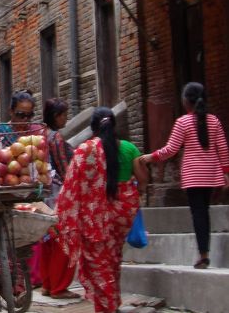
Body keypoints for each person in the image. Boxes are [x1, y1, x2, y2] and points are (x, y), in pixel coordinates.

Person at [56, 107, 148, 313]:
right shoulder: (128, 148)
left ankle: (108, 307)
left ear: (92, 128)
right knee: (113, 257)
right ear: (114, 126)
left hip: (95, 216)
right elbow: (143, 181)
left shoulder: (86, 151)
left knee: (99, 263)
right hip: (124, 211)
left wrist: (63, 212)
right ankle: (112, 302)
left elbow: (71, 186)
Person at [139, 82, 229, 269]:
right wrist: (226, 173)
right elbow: (223, 149)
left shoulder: (183, 122)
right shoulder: (214, 121)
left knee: (198, 214)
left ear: (186, 101)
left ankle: (203, 255)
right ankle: (204, 252)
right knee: (204, 212)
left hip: (193, 176)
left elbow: (171, 149)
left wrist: (151, 157)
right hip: (211, 175)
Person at [0, 90, 43, 287]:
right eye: (21, 115)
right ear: (11, 112)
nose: (25, 120)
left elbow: (44, 163)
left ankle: (27, 278)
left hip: (28, 193)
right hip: (4, 191)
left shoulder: (36, 133)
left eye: (29, 116)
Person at [39, 98, 78, 299]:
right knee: (65, 241)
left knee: (48, 241)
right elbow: (65, 170)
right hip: (58, 196)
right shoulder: (56, 138)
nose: (66, 118)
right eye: (64, 114)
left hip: (43, 197)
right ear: (56, 116)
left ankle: (47, 284)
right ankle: (59, 287)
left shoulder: (39, 134)